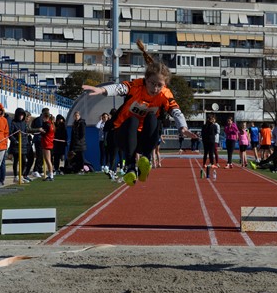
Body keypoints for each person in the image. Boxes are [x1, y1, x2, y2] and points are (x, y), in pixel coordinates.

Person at [81, 39, 195, 186]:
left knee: (153, 117)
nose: (155, 88)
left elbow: (176, 110)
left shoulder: (165, 94)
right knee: (133, 119)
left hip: (145, 139)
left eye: (159, 85)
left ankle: (145, 160)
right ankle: (130, 167)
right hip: (123, 135)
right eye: (152, 83)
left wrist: (182, 127)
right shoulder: (136, 86)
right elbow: (119, 88)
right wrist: (102, 90)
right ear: (145, 79)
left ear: (164, 85)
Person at [9, 108, 29, 183]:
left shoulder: (24, 123)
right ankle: (15, 176)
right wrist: (15, 141)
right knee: (16, 160)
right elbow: (10, 134)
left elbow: (26, 132)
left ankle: (22, 175)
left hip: (23, 145)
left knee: (24, 161)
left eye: (22, 115)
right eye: (20, 115)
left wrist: (26, 141)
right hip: (16, 145)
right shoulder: (13, 122)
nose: (21, 116)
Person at [40, 113, 55, 181]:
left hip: (46, 143)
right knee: (48, 160)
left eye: (43, 117)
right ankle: (50, 174)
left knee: (48, 160)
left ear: (46, 117)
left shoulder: (47, 124)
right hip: (49, 143)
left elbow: (43, 132)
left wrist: (40, 130)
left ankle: (51, 175)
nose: (42, 119)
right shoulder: (52, 124)